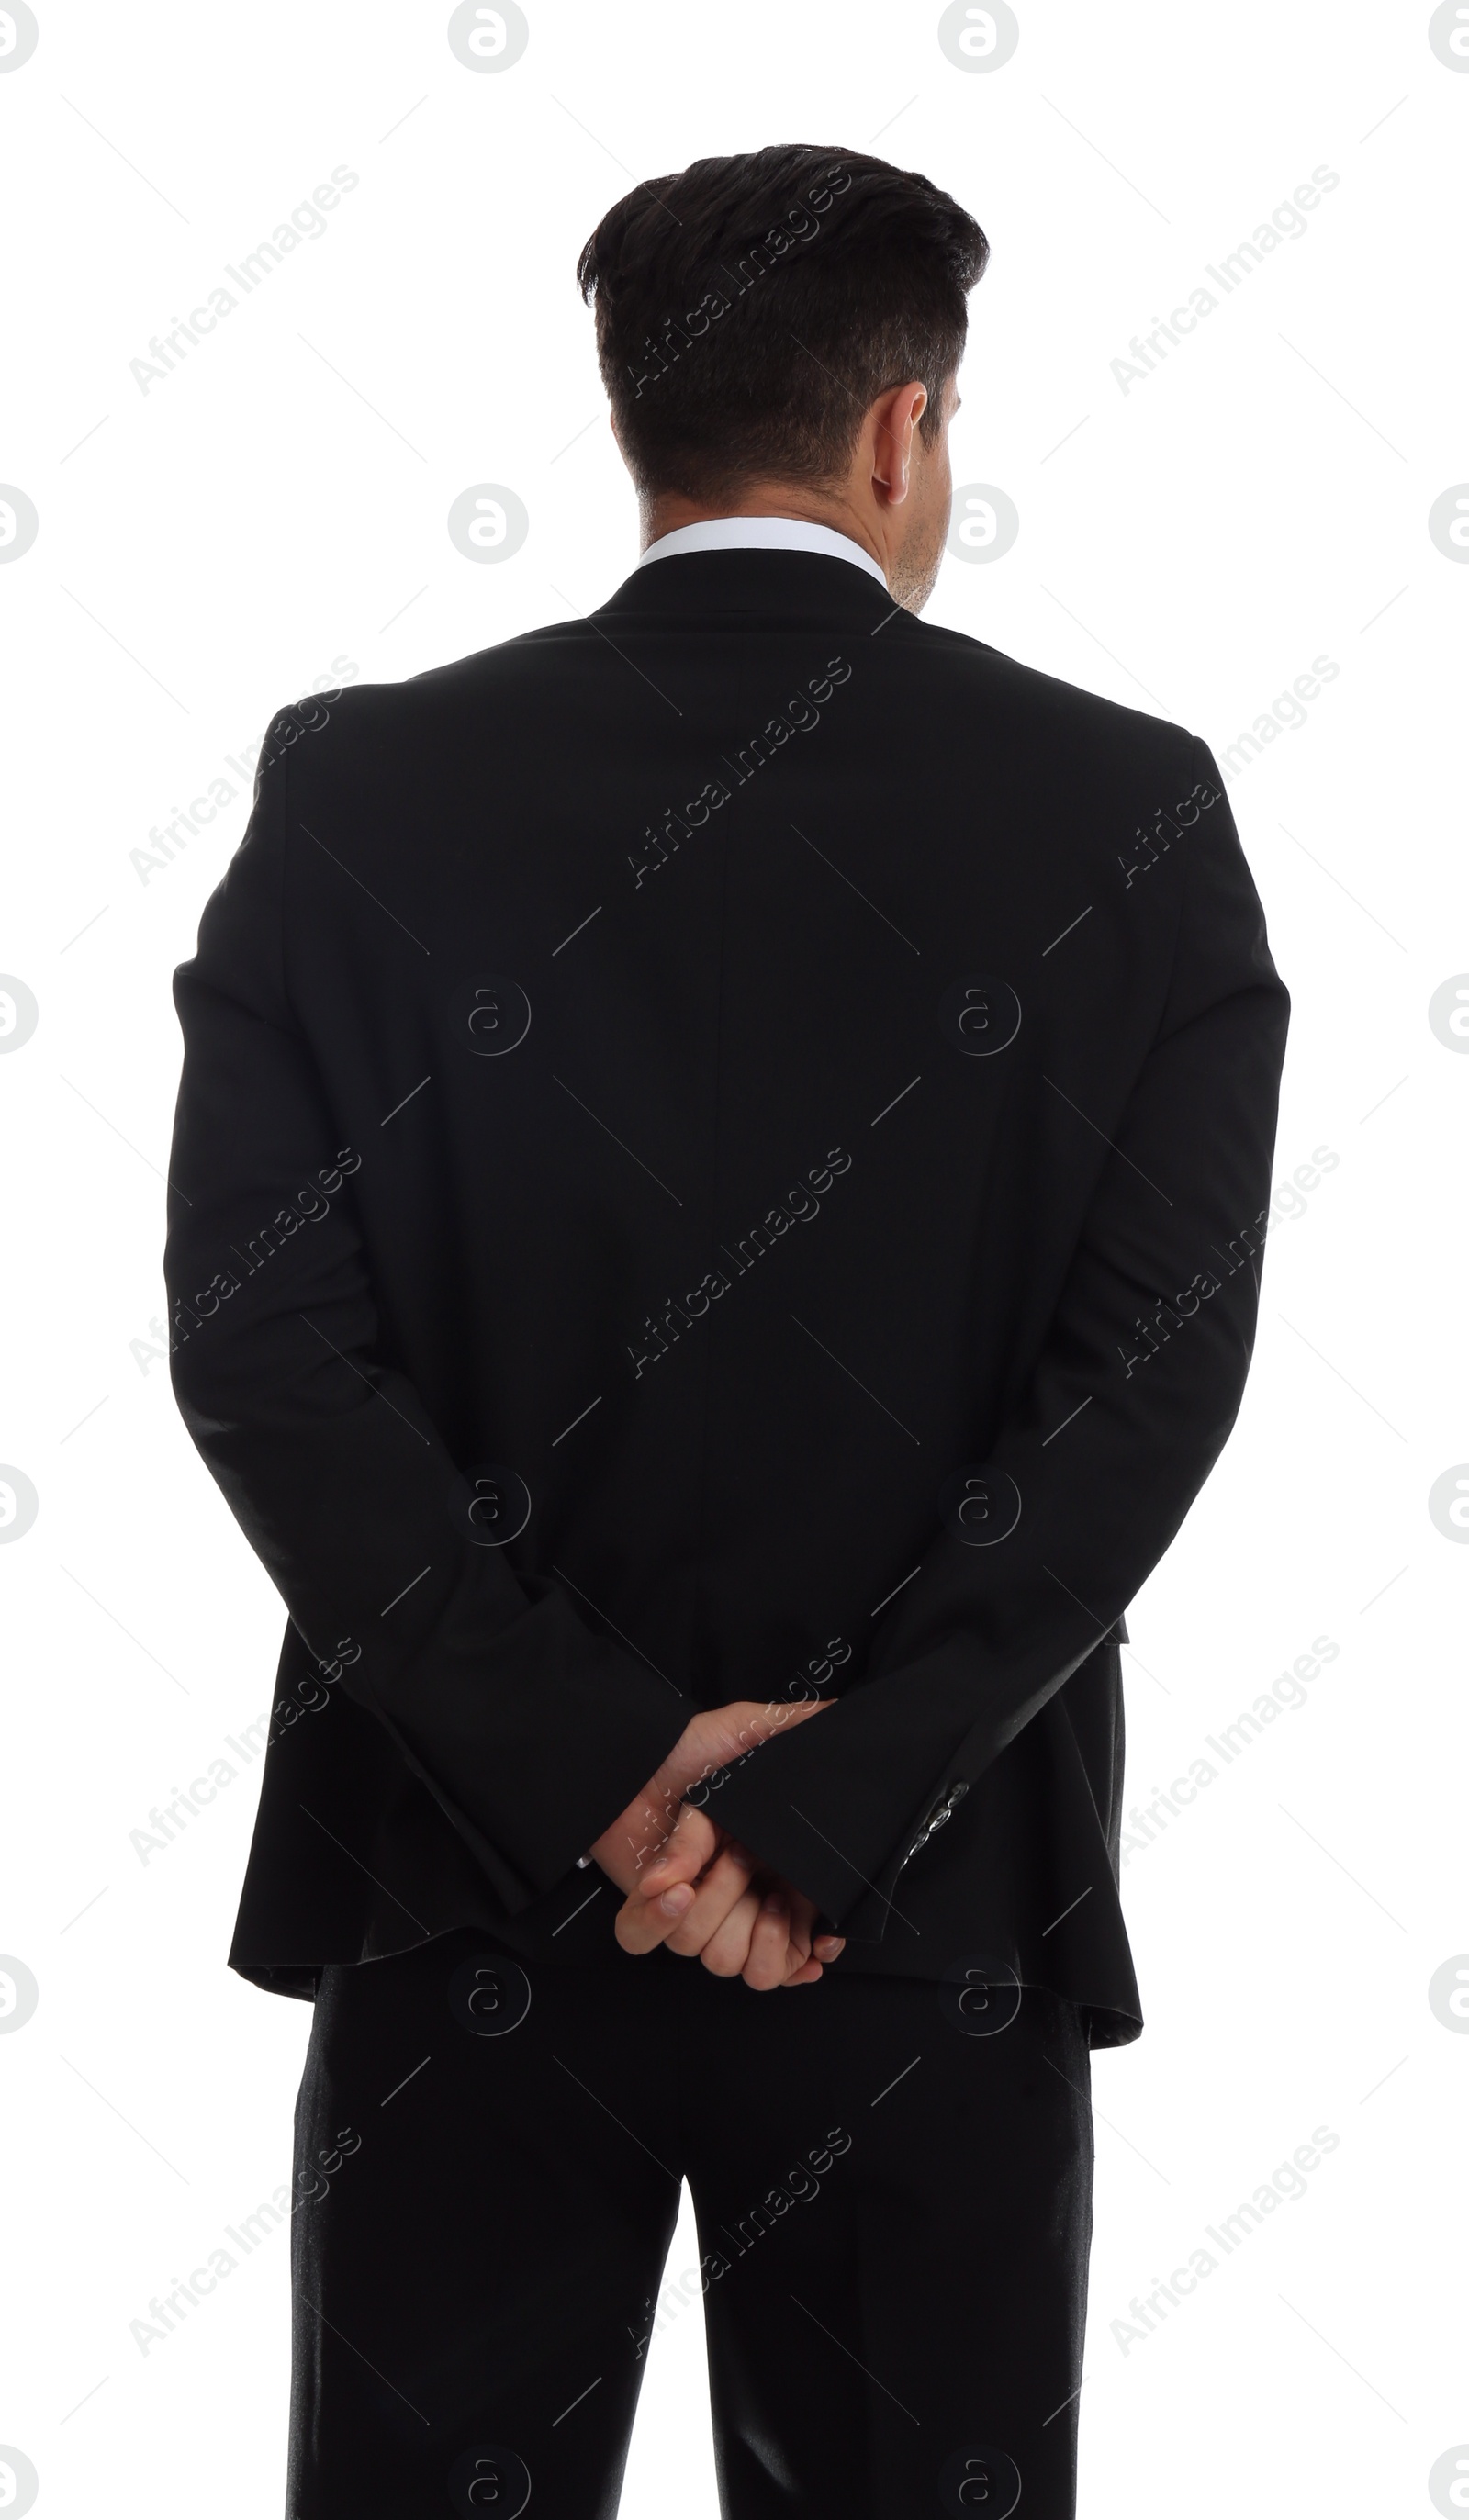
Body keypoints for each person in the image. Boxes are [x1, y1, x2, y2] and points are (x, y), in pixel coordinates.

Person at [164, 142, 1289, 2520]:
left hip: (467, 1892)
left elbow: (269, 1353)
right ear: (902, 433)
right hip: (929, 1915)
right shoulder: (1130, 813)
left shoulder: (359, 788)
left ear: (633, 427)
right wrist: (826, 1800)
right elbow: (1148, 1388)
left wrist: (597, 1761)